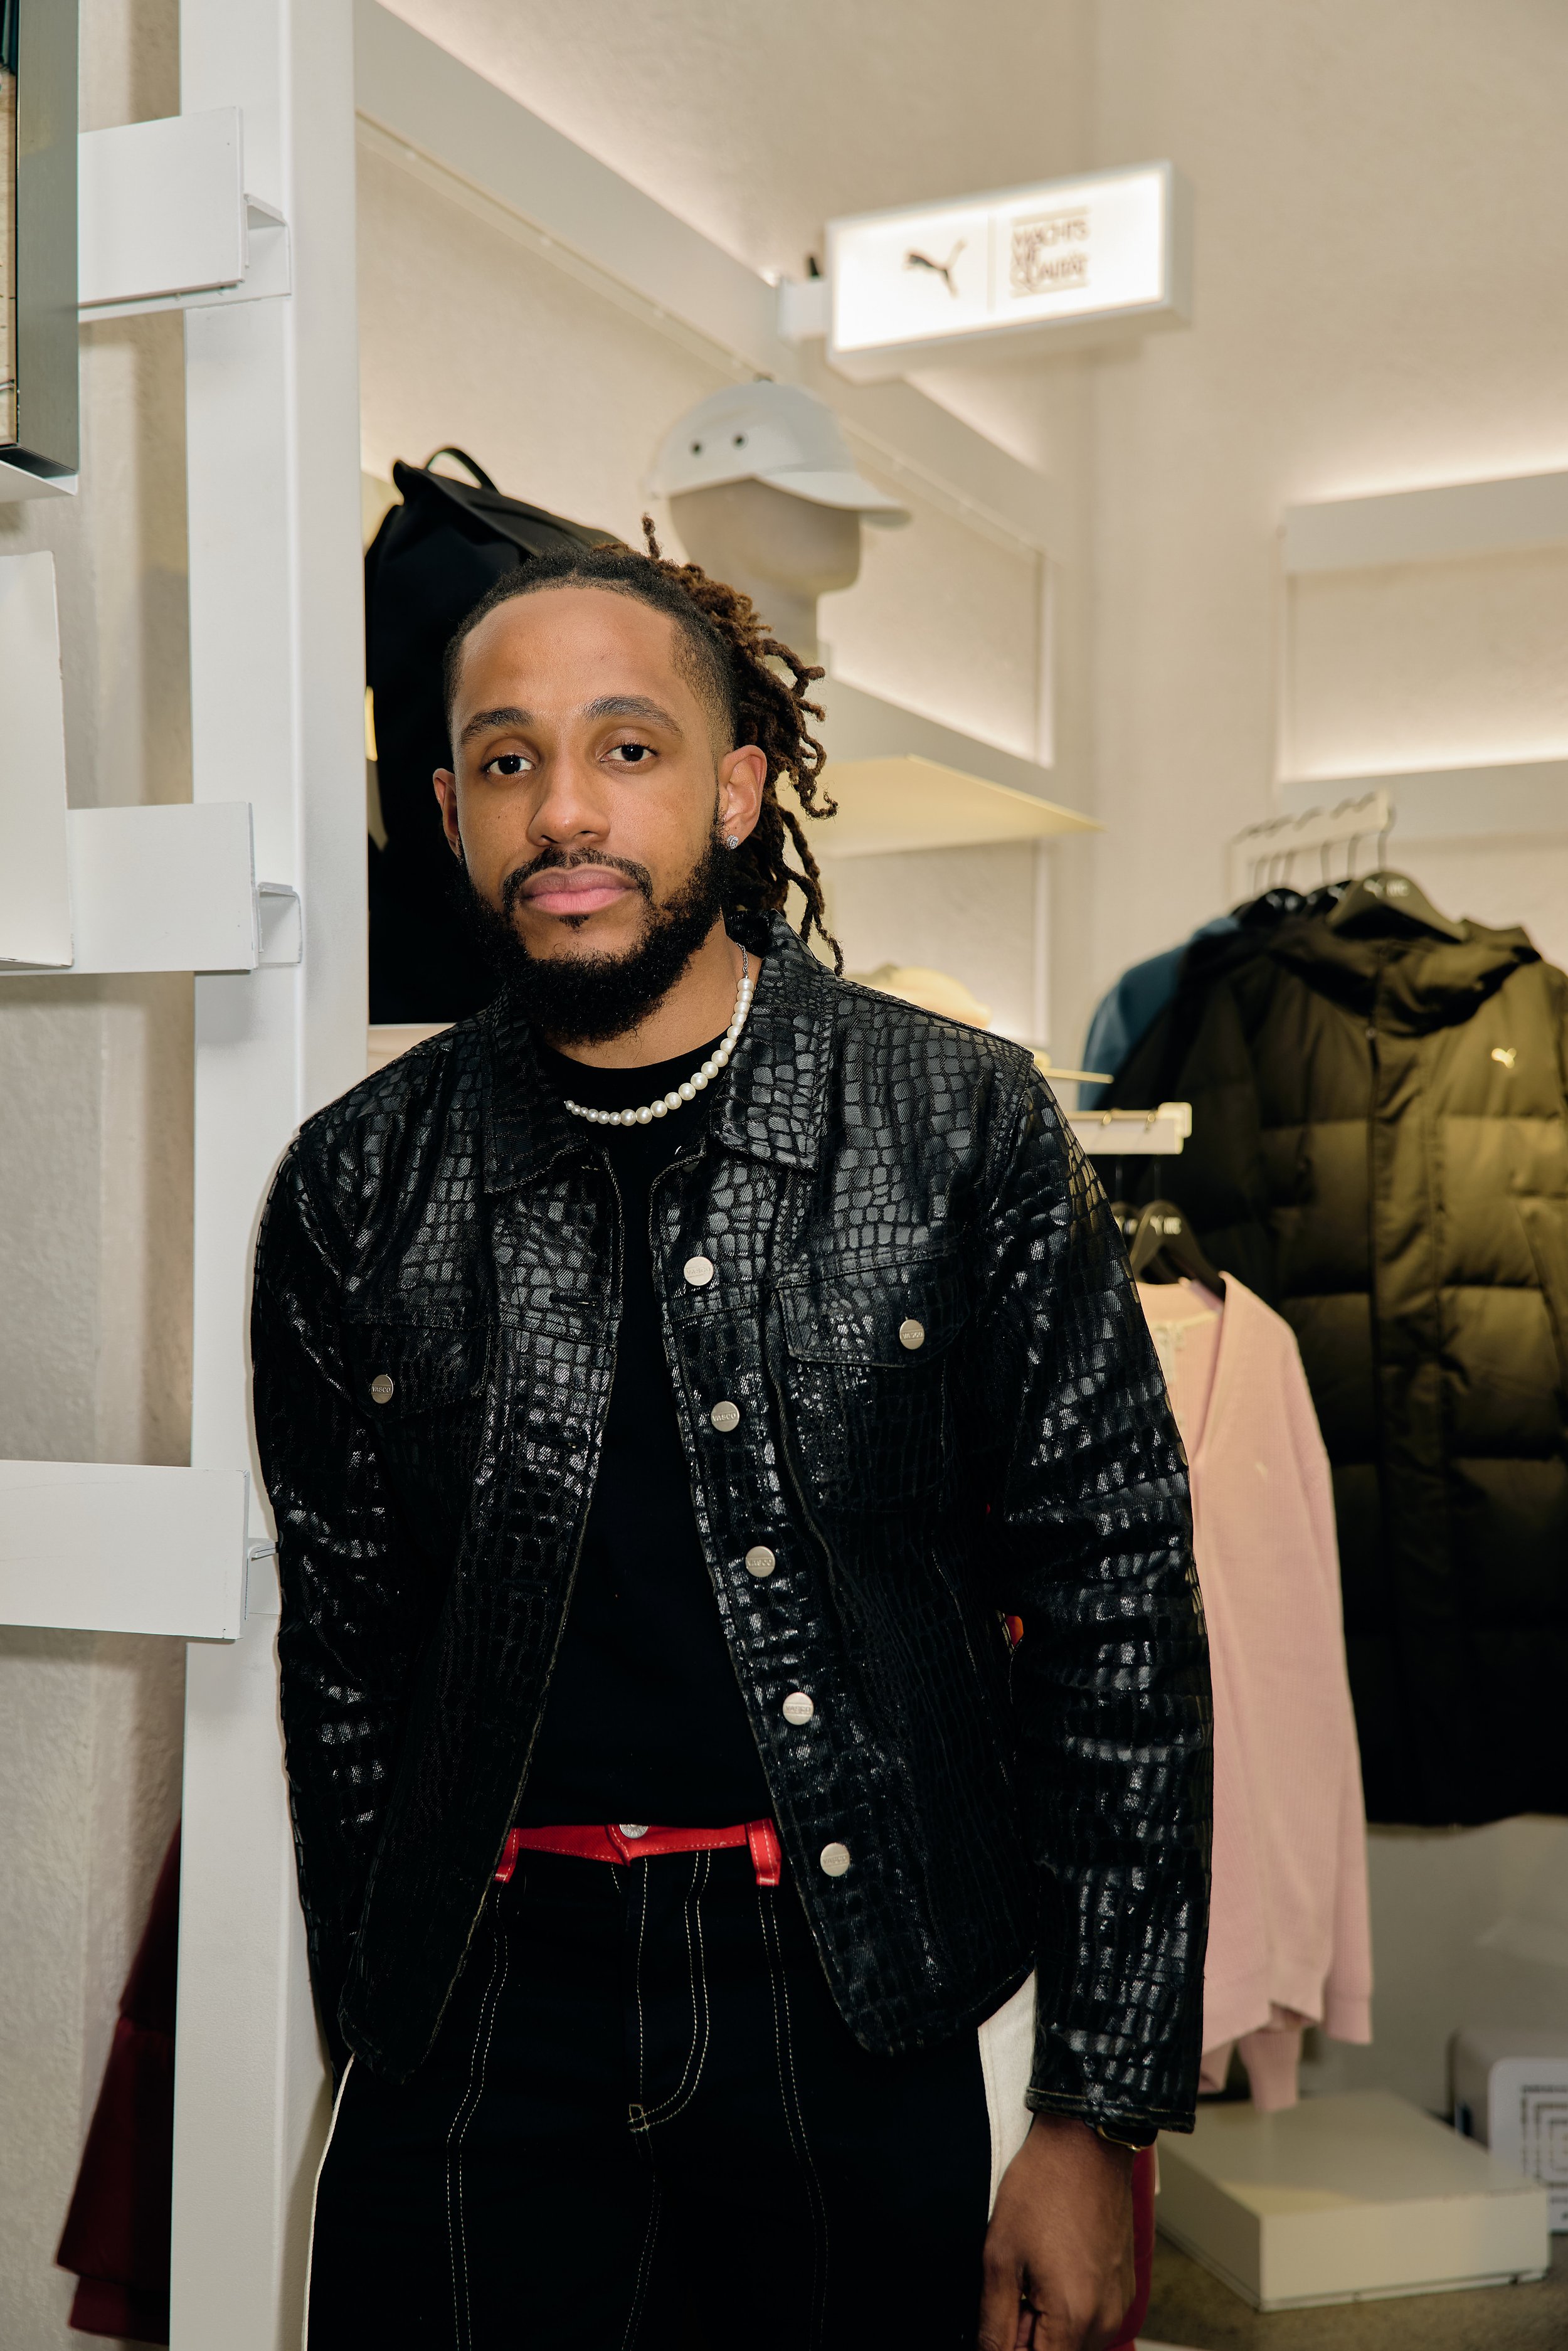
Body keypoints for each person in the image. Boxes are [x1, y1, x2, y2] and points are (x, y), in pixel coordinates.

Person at [251, 528, 1211, 2351]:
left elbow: (1117, 1615)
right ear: (448, 811)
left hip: (848, 2000)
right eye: (508, 760)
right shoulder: (358, 1182)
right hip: (483, 2018)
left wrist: (1098, 2116)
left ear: (738, 788)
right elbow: (348, 1660)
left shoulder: (955, 1124)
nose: (564, 811)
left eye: (627, 747)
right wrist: (392, 2016)